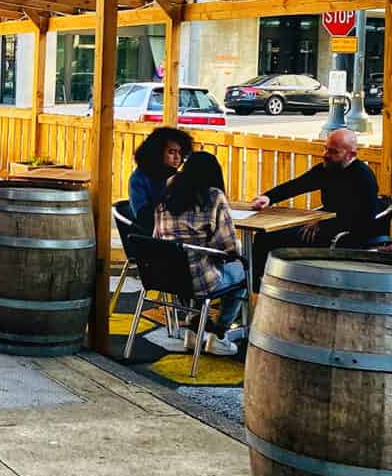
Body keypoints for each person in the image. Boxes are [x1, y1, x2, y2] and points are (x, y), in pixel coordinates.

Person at [248, 128, 383, 278]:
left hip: (346, 236)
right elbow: (297, 185)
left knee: (268, 238)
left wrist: (324, 224)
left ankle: (264, 284)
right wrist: (268, 197)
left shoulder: (363, 177)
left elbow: (364, 218)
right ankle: (258, 283)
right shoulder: (327, 169)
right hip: (324, 226)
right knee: (265, 235)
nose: (325, 155)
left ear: (351, 155)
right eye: (325, 149)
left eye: (333, 152)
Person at [154, 150, 246, 356]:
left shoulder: (168, 192)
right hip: (198, 279)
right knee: (241, 274)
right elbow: (227, 247)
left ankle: (194, 330)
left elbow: (157, 235)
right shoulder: (214, 196)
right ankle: (219, 334)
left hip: (165, 276)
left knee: (195, 263)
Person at [128, 126, 193, 231]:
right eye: (171, 152)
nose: (177, 157)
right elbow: (143, 218)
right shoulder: (138, 179)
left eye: (180, 153)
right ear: (157, 152)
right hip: (150, 236)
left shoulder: (179, 177)